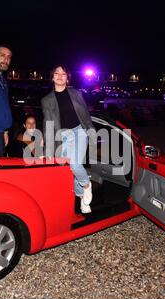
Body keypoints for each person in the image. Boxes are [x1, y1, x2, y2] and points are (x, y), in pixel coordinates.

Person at [41, 65, 96, 214]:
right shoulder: (46, 100)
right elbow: (48, 124)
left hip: (79, 132)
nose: (60, 76)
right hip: (62, 136)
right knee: (69, 170)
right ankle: (81, 199)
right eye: (56, 73)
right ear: (52, 77)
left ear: (67, 77)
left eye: (63, 73)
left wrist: (91, 132)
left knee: (76, 164)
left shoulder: (76, 93)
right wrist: (47, 148)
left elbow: (85, 115)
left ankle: (86, 186)